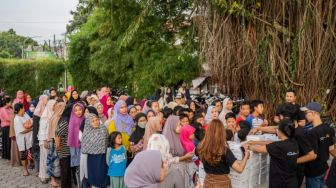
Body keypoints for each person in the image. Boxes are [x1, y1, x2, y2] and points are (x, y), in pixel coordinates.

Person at [197, 119, 250, 188]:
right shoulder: (224, 150)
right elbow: (239, 169)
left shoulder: (201, 147)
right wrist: (246, 156)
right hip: (222, 184)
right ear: (221, 132)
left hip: (208, 182)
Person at [247, 119, 299, 188]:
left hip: (280, 183)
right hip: (292, 181)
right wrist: (255, 142)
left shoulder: (279, 146)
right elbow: (271, 143)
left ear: (281, 131)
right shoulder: (294, 142)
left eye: (277, 129)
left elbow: (257, 149)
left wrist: (247, 146)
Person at [300, 102, 336, 188]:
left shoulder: (311, 133)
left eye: (306, 113)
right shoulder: (329, 129)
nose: (305, 115)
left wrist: (294, 161)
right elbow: (331, 149)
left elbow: (312, 156)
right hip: (324, 168)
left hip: (313, 171)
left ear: (312, 113)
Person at [81, 113, 109, 187]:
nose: (96, 122)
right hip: (92, 158)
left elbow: (107, 141)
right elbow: (85, 147)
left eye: (96, 120)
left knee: (103, 175)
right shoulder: (86, 132)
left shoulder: (103, 128)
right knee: (94, 176)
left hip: (103, 157)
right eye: (93, 121)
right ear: (88, 123)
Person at [47, 102, 66, 187]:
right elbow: (57, 133)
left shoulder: (53, 115)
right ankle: (53, 180)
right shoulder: (58, 117)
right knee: (55, 161)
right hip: (55, 141)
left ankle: (53, 179)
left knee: (51, 160)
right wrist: (58, 145)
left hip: (51, 140)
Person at [38, 99, 56, 183]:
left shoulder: (53, 114)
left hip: (51, 140)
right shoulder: (45, 116)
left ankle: (48, 174)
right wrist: (44, 140)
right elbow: (42, 129)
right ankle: (43, 176)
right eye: (53, 105)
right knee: (44, 159)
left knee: (49, 159)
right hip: (44, 140)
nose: (54, 106)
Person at [55, 105, 73, 188]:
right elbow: (58, 134)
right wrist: (58, 147)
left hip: (67, 150)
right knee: (65, 171)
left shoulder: (67, 119)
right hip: (64, 150)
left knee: (67, 171)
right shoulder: (65, 121)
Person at [13, 103, 33, 176]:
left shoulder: (25, 114)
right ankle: (25, 170)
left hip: (29, 137)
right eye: (23, 107)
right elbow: (22, 131)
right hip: (22, 139)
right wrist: (32, 128)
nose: (25, 108)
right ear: (21, 109)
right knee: (23, 155)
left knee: (31, 152)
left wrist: (30, 125)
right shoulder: (17, 119)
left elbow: (31, 121)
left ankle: (32, 165)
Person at [68, 102, 85, 185]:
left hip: (84, 146)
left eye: (80, 109)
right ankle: (79, 185)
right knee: (78, 168)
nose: (78, 112)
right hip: (75, 147)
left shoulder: (85, 118)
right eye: (76, 110)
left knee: (85, 167)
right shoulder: (72, 120)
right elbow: (71, 135)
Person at [31, 95, 48, 175]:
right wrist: (36, 139)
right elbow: (36, 128)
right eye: (46, 99)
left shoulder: (45, 109)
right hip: (38, 136)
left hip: (43, 136)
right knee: (38, 153)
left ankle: (41, 170)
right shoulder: (37, 113)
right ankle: (37, 170)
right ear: (42, 100)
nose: (47, 101)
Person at [0, 96, 13, 160]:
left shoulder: (10, 109)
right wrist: (13, 118)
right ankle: (7, 155)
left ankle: (9, 154)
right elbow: (7, 118)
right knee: (7, 141)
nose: (11, 103)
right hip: (5, 126)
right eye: (10, 102)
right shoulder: (2, 109)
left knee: (10, 141)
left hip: (10, 126)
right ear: (7, 103)